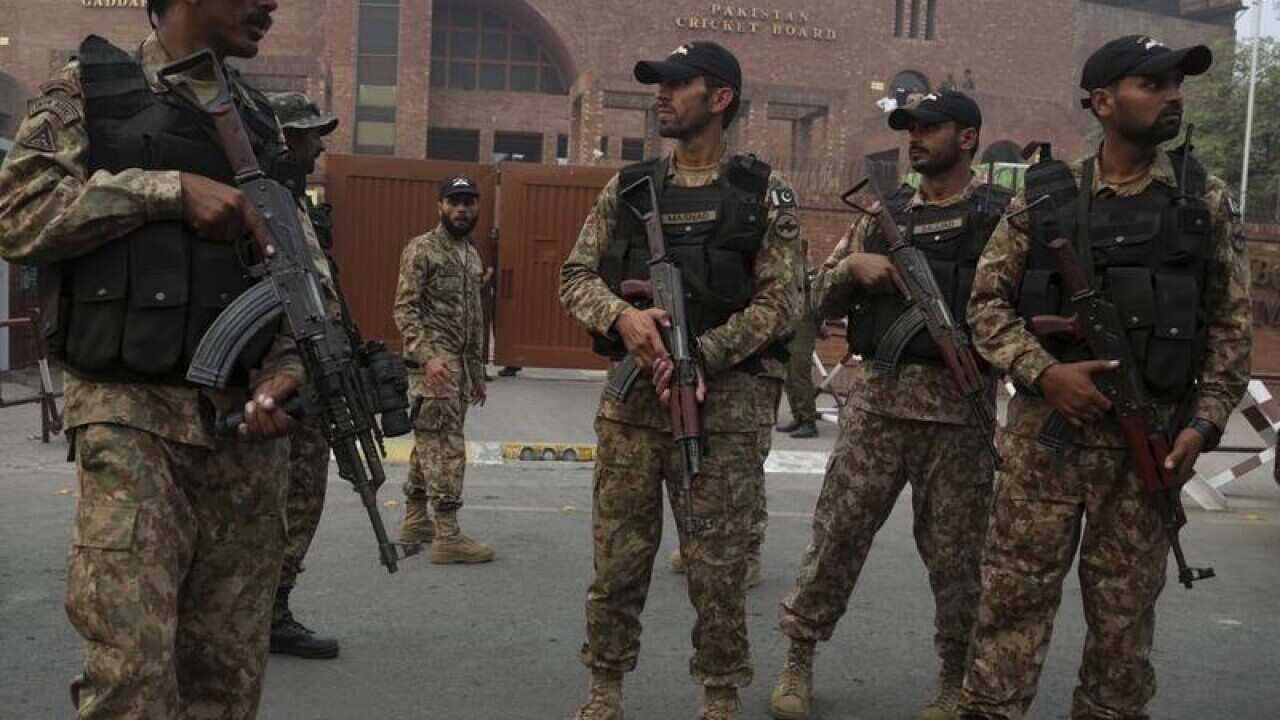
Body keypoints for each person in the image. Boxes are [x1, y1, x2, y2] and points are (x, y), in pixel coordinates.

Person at [0, 0, 313, 716]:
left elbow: (300, 271)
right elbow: (16, 212)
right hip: (131, 423)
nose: (271, 4)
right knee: (130, 686)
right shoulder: (90, 90)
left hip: (242, 438)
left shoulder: (260, 122)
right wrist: (164, 191)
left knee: (224, 686)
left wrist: (287, 371)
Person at [958, 36, 1252, 719]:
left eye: (1177, 83)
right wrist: (1045, 372)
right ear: (1101, 100)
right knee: (1011, 601)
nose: (1174, 94)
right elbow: (985, 307)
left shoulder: (1201, 201)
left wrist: (1204, 425)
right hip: (1045, 446)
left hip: (1144, 447)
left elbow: (1231, 332)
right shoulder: (1044, 200)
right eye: (1153, 83)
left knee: (1122, 625)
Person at [559, 40, 801, 720]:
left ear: (719, 98)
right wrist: (625, 321)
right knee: (618, 567)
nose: (661, 95)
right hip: (634, 412)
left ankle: (719, 697)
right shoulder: (631, 188)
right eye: (657, 85)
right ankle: (604, 688)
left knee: (719, 572)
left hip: (719, 415)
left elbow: (784, 302)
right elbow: (574, 276)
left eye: (676, 84)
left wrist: (700, 356)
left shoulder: (761, 193)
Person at [769, 91, 1008, 720]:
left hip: (958, 413)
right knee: (836, 537)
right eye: (910, 128)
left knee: (959, 556)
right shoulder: (881, 216)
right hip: (876, 402)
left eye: (932, 127)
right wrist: (853, 265)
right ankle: (798, 659)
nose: (916, 137)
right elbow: (808, 298)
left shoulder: (1003, 218)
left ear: (969, 137)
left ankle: (955, 677)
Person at [264, 89, 342, 660]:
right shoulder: (258, 199)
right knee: (271, 498)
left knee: (305, 494)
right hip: (273, 371)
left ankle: (273, 605)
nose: (319, 144)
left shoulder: (294, 203)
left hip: (315, 365)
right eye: (309, 133)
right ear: (282, 138)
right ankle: (257, 609)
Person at [395, 175, 495, 564]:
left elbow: (473, 319)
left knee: (430, 443)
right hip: (432, 366)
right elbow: (405, 308)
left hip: (457, 365)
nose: (461, 209)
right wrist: (428, 357)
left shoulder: (471, 254)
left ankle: (416, 518)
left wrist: (476, 371)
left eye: (469, 202)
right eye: (454, 202)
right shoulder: (421, 249)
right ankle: (448, 535)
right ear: (440, 206)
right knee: (446, 447)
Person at [776, 264, 821, 439]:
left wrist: (820, 324)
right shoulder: (786, 268)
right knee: (788, 374)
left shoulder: (809, 272)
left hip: (804, 324)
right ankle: (798, 417)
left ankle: (809, 421)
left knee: (799, 372)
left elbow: (819, 298)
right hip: (788, 323)